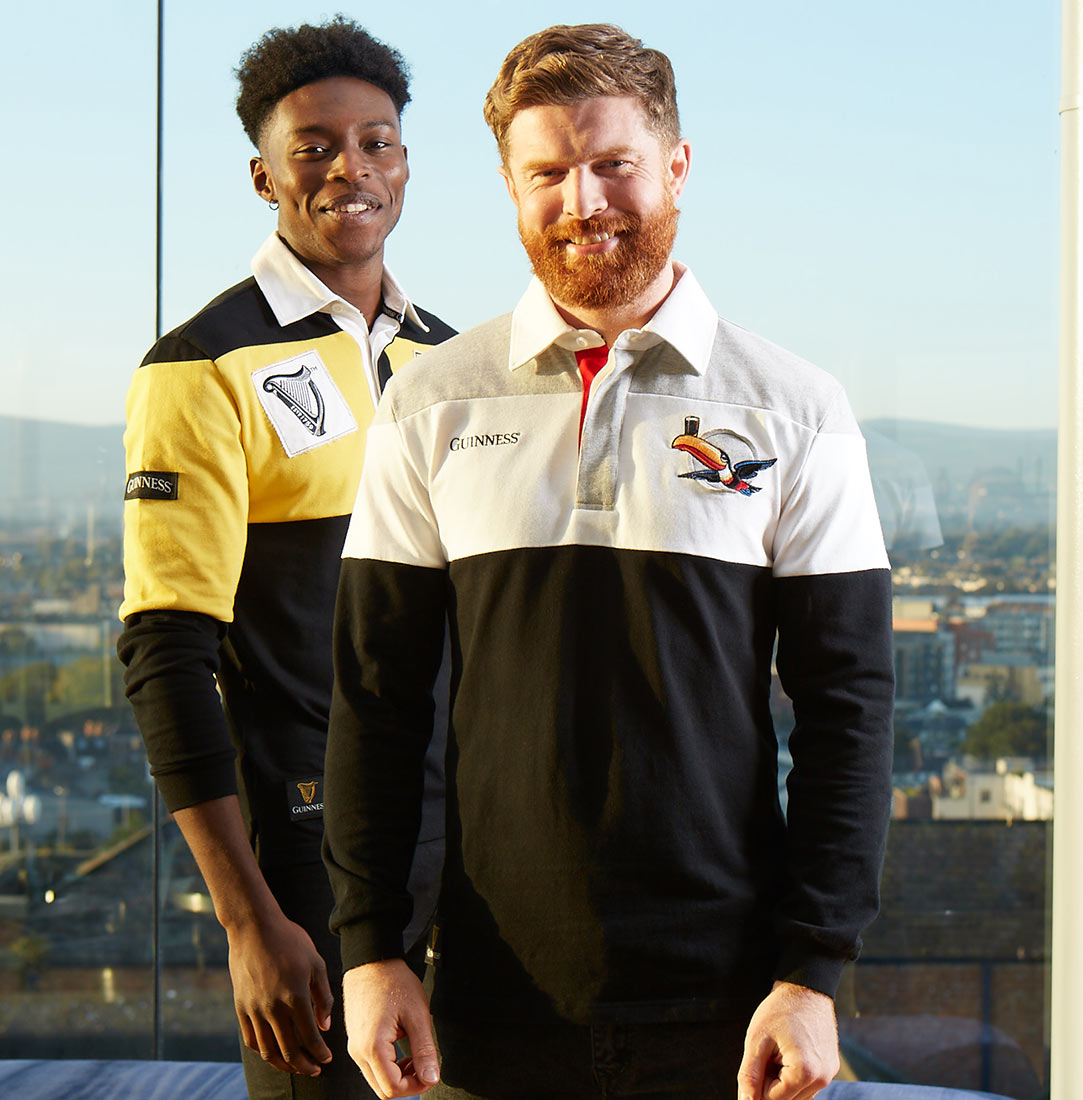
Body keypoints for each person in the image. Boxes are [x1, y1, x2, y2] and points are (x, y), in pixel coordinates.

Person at [324, 23, 894, 1100]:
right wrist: (369, 946)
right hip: (478, 1004)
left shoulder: (795, 409)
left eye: (612, 163)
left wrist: (813, 970)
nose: (581, 201)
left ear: (675, 166)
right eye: (546, 172)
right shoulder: (428, 404)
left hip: (732, 1011)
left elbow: (848, 712)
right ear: (507, 185)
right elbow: (375, 702)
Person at [116, 17, 453, 1100]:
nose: (349, 168)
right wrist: (247, 917)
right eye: (313, 146)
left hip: (466, 828)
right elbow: (165, 650)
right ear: (262, 174)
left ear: (403, 162)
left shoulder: (449, 361)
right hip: (310, 844)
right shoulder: (200, 365)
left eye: (376, 141)